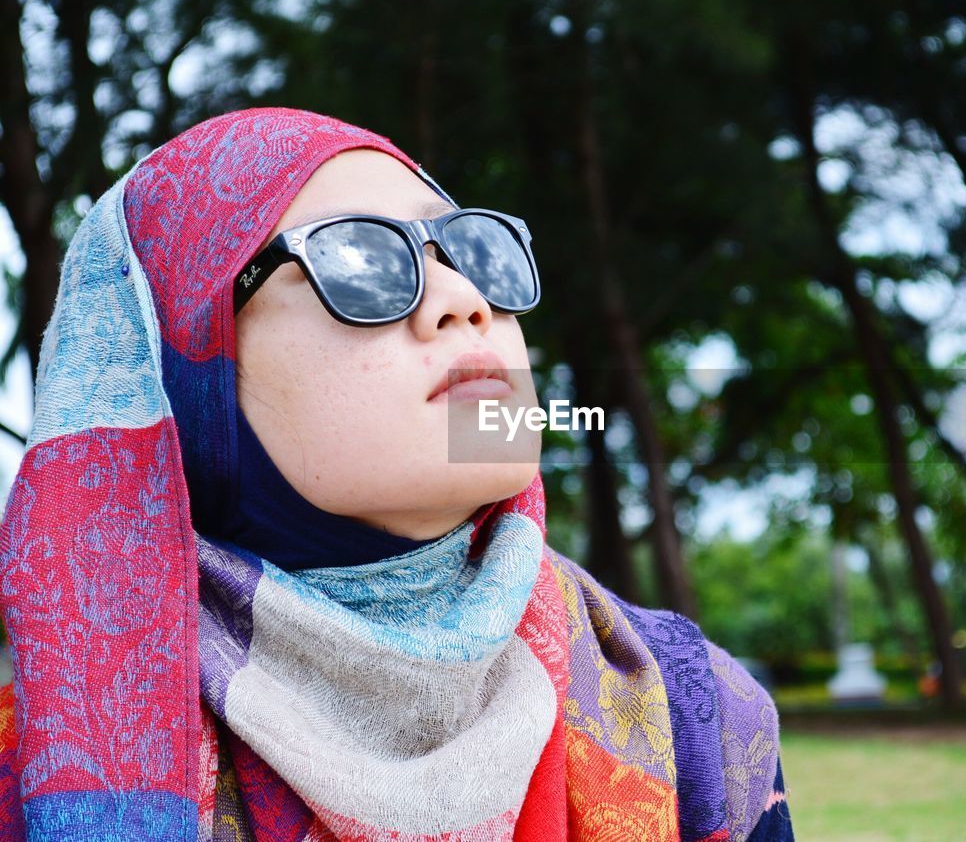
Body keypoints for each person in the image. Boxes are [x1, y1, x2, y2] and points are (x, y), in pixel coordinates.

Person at [0, 107, 793, 840]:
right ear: (186, 362)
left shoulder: (701, 715)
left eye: (476, 253)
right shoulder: (28, 764)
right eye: (361, 259)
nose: (462, 298)